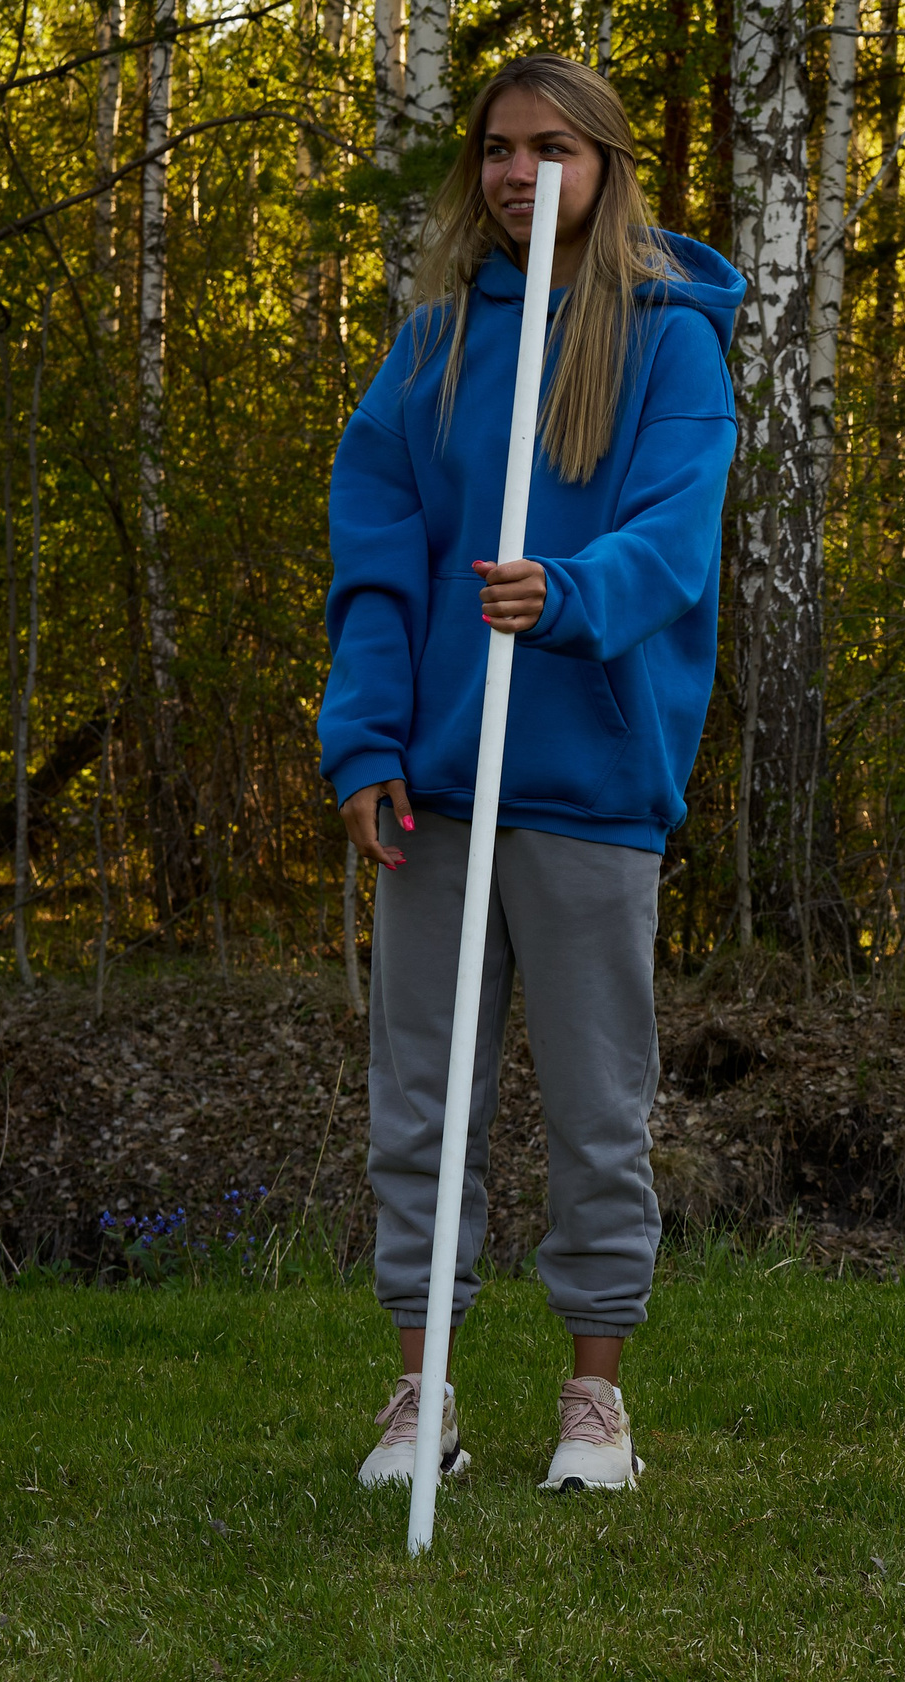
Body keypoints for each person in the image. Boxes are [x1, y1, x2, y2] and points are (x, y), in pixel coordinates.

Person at [318, 53, 741, 1495]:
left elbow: (677, 542)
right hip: (437, 778)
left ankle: (592, 1397)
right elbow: (376, 563)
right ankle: (421, 1388)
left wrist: (565, 591)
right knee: (421, 1096)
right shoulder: (431, 350)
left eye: (548, 146)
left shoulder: (673, 344)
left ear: (607, 162)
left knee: (594, 1098)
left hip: (590, 779)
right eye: (496, 148)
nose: (517, 173)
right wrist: (365, 739)